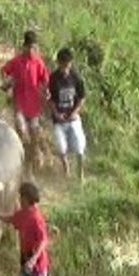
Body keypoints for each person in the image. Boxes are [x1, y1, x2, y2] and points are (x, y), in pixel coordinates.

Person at [1, 31, 50, 178]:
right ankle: (19, 165)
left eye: (33, 48)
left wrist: (47, 91)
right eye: (28, 47)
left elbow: (45, 80)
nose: (30, 51)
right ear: (24, 46)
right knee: (22, 132)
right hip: (20, 105)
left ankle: (30, 167)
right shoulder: (17, 62)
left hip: (34, 106)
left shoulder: (39, 62)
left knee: (34, 136)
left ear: (36, 48)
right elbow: (4, 71)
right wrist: (7, 82)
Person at [49, 47, 87, 181]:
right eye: (63, 64)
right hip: (58, 119)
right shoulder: (53, 79)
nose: (65, 67)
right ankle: (66, 170)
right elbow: (51, 99)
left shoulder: (76, 78)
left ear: (71, 63)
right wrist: (56, 114)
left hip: (73, 118)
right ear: (59, 63)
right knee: (61, 147)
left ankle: (81, 175)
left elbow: (82, 97)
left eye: (68, 64)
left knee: (79, 145)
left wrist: (75, 112)